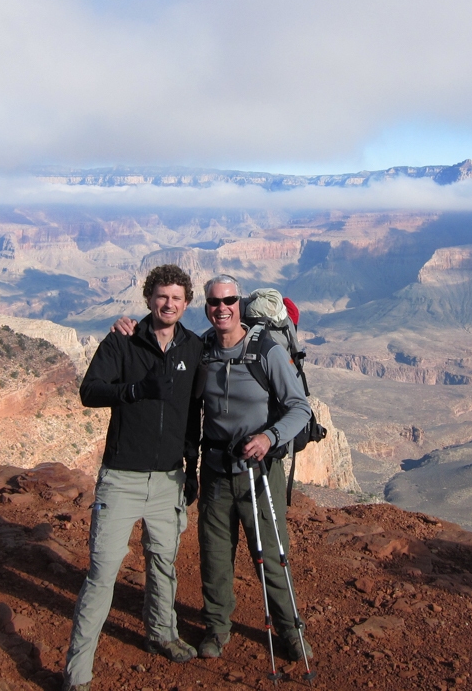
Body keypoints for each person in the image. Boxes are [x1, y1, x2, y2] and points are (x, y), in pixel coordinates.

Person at [63, 264, 203, 691]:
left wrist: (191, 470)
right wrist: (136, 390)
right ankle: (77, 674)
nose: (169, 304)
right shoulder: (123, 340)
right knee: (103, 573)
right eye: (162, 296)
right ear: (148, 298)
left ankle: (162, 633)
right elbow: (90, 391)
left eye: (177, 298)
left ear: (186, 302)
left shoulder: (193, 348)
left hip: (167, 481)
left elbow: (194, 416)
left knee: (163, 563)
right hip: (121, 479)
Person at [195, 274, 314, 662]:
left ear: (238, 303)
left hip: (260, 474)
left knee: (272, 554)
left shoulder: (266, 351)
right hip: (215, 471)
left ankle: (291, 632)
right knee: (214, 556)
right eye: (214, 302)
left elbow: (300, 407)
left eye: (229, 300)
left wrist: (269, 438)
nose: (222, 308)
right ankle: (216, 628)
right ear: (206, 307)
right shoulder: (201, 351)